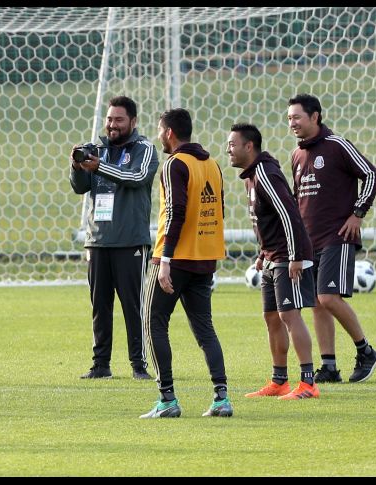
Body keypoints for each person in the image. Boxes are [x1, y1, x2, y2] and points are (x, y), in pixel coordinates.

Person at [140, 108, 231, 418]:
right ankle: (221, 398)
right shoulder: (213, 164)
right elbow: (220, 210)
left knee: (154, 322)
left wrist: (165, 259)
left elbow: (176, 213)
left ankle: (167, 399)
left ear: (169, 133)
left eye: (159, 131)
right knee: (205, 328)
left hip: (176, 258)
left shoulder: (174, 165)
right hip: (205, 258)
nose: (158, 136)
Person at [288, 94, 376, 383]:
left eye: (297, 117)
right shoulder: (296, 154)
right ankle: (329, 366)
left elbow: (371, 174)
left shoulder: (337, 145)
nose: (292, 123)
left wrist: (357, 213)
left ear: (315, 116)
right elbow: (295, 198)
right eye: (289, 118)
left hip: (337, 236)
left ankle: (365, 350)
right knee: (317, 301)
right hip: (309, 240)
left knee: (328, 296)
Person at [227, 123, 320, 400]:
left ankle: (308, 383)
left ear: (249, 146)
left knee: (290, 316)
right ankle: (279, 380)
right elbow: (266, 221)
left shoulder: (266, 173)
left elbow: (289, 214)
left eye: (233, 144)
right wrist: (261, 253)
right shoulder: (251, 177)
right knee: (271, 318)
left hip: (288, 256)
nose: (228, 150)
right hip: (272, 256)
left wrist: (295, 257)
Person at [69, 95, 159, 380]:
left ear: (133, 122)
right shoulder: (95, 149)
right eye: (109, 119)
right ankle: (101, 365)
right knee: (100, 306)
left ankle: (138, 365)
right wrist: (76, 166)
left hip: (131, 240)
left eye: (118, 120)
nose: (112, 125)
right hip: (97, 240)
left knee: (133, 306)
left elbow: (138, 177)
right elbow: (80, 188)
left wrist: (99, 167)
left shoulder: (145, 149)